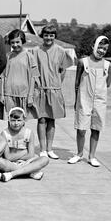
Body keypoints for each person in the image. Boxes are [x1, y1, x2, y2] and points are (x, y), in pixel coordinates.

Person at [68, 36, 111, 167]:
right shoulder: (83, 62)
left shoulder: (108, 65)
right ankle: (79, 153)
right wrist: (77, 101)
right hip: (84, 99)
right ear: (93, 46)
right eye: (99, 47)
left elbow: (108, 83)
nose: (101, 51)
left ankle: (92, 156)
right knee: (81, 129)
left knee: (95, 128)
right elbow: (77, 83)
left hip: (99, 101)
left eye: (104, 49)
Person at [33, 24, 74, 159]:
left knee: (51, 120)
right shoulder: (36, 50)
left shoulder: (61, 51)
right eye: (46, 35)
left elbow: (63, 70)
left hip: (54, 89)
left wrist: (57, 84)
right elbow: (32, 70)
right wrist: (37, 85)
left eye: (51, 35)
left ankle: (50, 149)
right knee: (41, 119)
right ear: (42, 36)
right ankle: (43, 149)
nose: (48, 38)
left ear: (55, 36)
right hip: (40, 89)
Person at [0, 107, 49, 182]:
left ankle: (11, 174)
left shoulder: (29, 133)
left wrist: (25, 159)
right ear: (9, 120)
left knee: (45, 159)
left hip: (27, 162)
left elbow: (31, 155)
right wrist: (24, 151)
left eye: (19, 120)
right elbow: (8, 157)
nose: (16, 123)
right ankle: (29, 172)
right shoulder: (5, 134)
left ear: (24, 121)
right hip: (11, 163)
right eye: (13, 120)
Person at [0, 29, 39, 119]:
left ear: (23, 41)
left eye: (17, 42)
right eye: (12, 42)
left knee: (21, 121)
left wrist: (30, 95)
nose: (15, 45)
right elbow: (3, 77)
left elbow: (33, 78)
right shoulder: (8, 57)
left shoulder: (29, 57)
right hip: (9, 94)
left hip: (24, 95)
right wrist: (1, 95)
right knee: (11, 120)